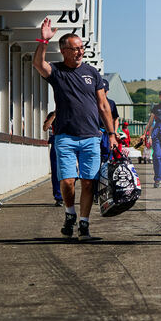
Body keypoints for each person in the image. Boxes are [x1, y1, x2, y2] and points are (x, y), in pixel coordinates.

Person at [33, 18, 118, 241]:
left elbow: (102, 105)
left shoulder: (92, 73)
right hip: (65, 137)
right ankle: (70, 214)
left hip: (91, 136)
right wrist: (43, 40)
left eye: (82, 48)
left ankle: (84, 224)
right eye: (75, 49)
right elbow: (38, 64)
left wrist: (111, 134)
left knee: (89, 182)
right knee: (68, 180)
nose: (80, 52)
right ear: (63, 51)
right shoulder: (57, 72)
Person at [42, 111, 63, 206]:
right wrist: (54, 115)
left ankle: (68, 194)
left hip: (70, 142)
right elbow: (45, 128)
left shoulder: (72, 111)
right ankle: (59, 197)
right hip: (56, 142)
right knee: (55, 172)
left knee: (71, 173)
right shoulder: (52, 114)